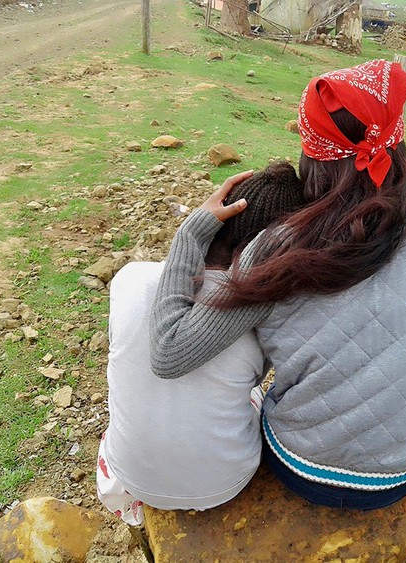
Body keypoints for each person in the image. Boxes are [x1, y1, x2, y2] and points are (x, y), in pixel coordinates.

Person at [149, 59, 406, 511]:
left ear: (313, 157)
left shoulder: (278, 248)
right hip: (404, 474)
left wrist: (192, 231)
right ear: (397, 149)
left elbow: (170, 353)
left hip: (303, 470)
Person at [97, 162, 306, 526]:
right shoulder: (264, 311)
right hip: (225, 482)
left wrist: (192, 233)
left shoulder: (130, 279)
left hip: (134, 476)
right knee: (251, 394)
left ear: (215, 221)